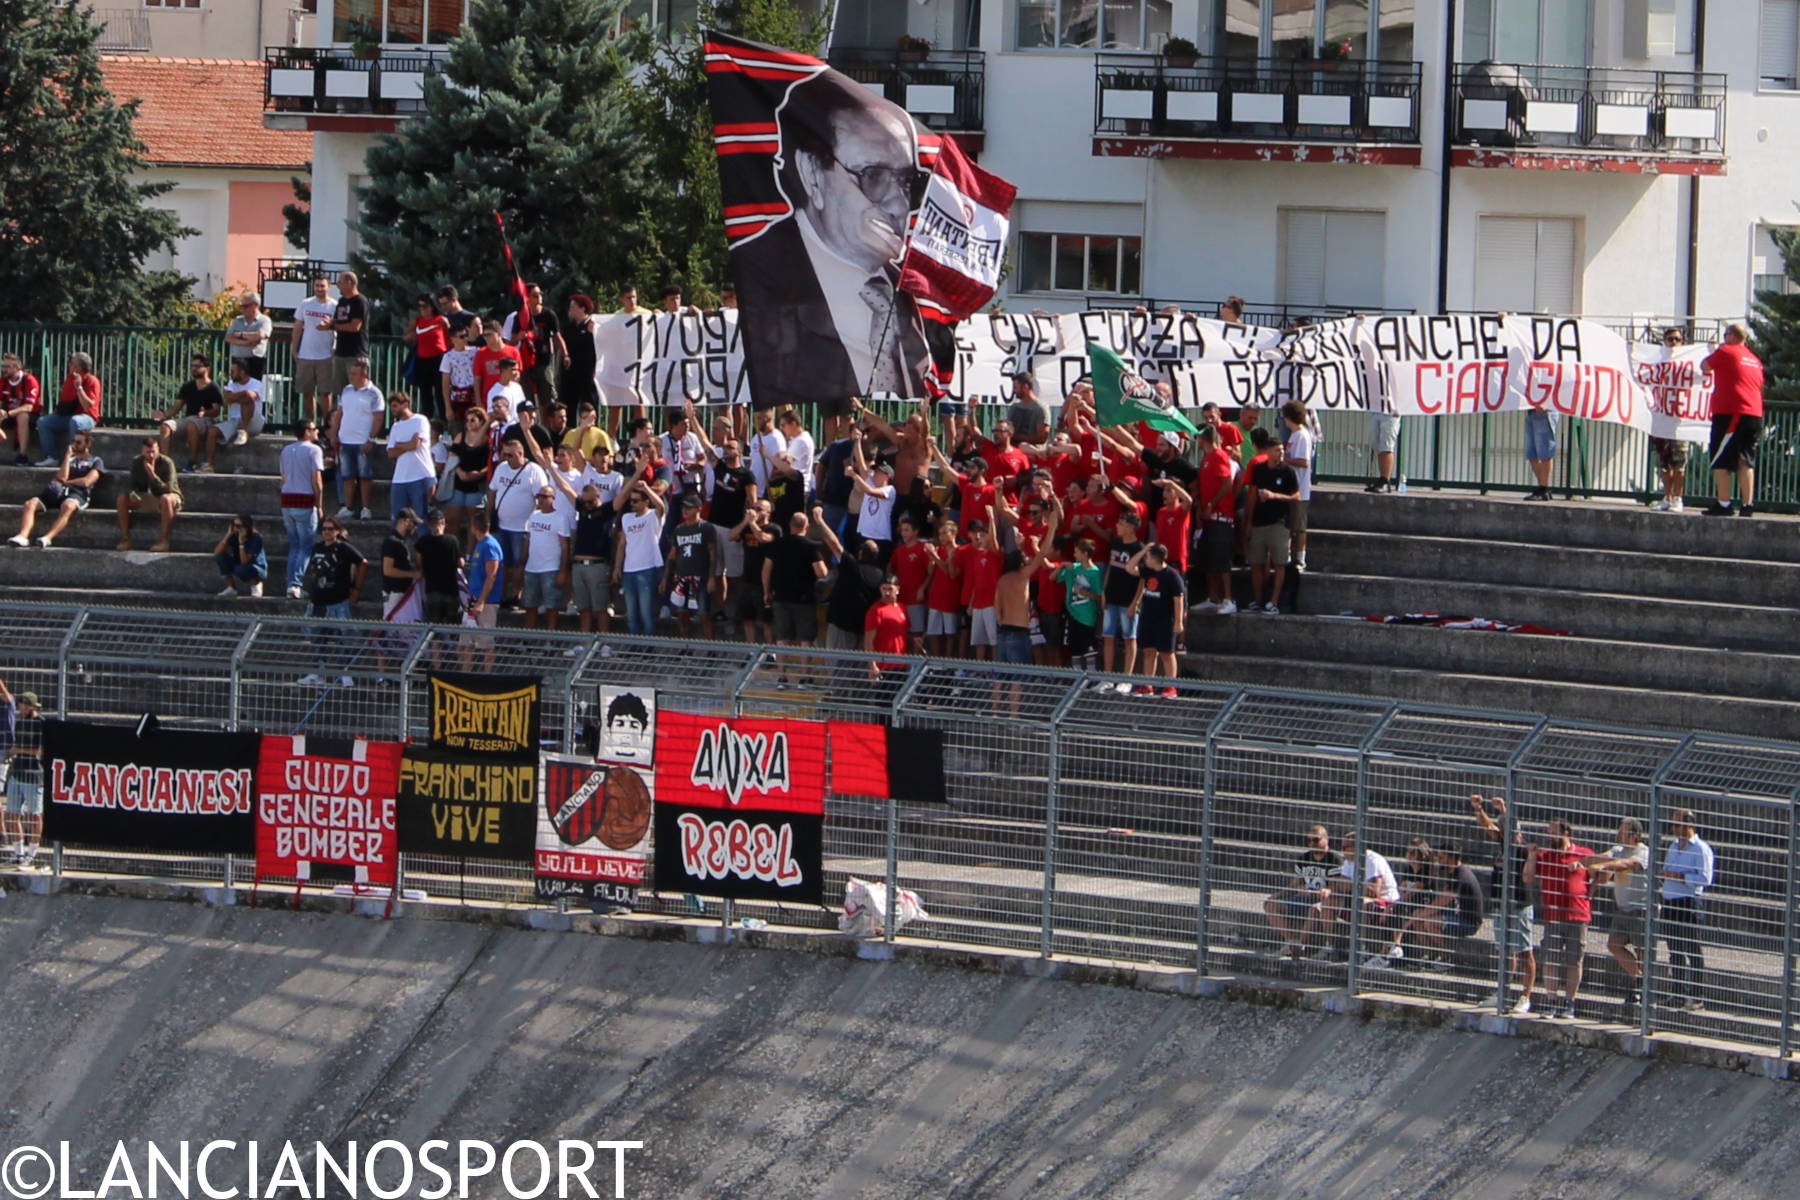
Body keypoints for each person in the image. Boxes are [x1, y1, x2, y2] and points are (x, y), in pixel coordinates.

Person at [732, 71, 931, 416]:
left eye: (908, 182)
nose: (900, 205)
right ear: (812, 174)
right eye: (874, 177)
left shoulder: (915, 289)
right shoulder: (760, 272)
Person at [1469, 792, 1538, 1016]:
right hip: (1501, 904)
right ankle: (1504, 992)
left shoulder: (1522, 849)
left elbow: (1501, 824)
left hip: (1519, 905)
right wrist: (1478, 809)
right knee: (1505, 951)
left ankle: (1525, 996)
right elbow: (1487, 826)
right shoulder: (1501, 842)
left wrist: (1503, 810)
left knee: (1525, 952)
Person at [1523, 816, 1595, 1019]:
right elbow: (1528, 877)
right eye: (1549, 831)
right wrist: (1531, 855)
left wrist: (1592, 890)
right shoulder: (1545, 855)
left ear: (1566, 833)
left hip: (1578, 914)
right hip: (1553, 916)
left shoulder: (1583, 853)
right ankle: (1552, 1001)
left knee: (1575, 960)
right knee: (1551, 959)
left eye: (1554, 831)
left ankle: (1569, 1002)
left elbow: (1601, 872)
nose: (1550, 835)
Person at [1582, 817, 1651, 1021]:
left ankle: (1643, 989)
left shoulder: (1643, 852)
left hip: (1641, 910)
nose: (1618, 835)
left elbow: (1625, 864)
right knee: (1614, 944)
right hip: (1622, 909)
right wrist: (1586, 861)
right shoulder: (1617, 849)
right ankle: (1638, 980)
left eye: (1623, 832)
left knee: (1642, 951)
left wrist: (1603, 866)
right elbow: (1603, 857)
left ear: (1634, 835)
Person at [1701, 323, 1765, 517]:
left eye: (1725, 334)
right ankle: (1747, 505)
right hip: (1754, 412)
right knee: (1745, 460)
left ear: (1731, 336)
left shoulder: (1727, 351)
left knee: (1720, 458)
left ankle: (1724, 503)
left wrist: (1716, 349)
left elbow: (1704, 366)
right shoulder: (1754, 359)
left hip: (1731, 412)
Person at [297, 517, 366, 687]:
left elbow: (362, 562)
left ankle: (344, 673)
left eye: (330, 528)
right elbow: (313, 570)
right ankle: (318, 672)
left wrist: (356, 588)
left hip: (338, 601)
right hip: (319, 600)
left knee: (344, 637)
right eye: (324, 529)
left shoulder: (343, 548)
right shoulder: (317, 548)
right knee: (317, 637)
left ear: (337, 530)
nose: (327, 531)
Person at [1659, 808, 1713, 1013]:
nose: (1674, 828)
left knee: (1692, 950)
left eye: (1678, 824)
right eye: (1673, 824)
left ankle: (1697, 996)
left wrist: (1681, 877)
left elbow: (1705, 878)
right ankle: (1678, 994)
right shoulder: (1673, 846)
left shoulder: (1700, 849)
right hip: (1670, 902)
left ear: (1689, 824)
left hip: (1688, 902)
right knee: (1675, 950)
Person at [1396, 843, 1485, 968]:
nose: (1439, 860)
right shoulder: (1453, 872)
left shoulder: (1461, 875)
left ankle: (1445, 958)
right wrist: (1418, 916)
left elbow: (1440, 904)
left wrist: (1408, 924)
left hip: (1468, 922)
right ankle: (1428, 955)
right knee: (1419, 915)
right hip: (1456, 915)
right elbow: (1440, 899)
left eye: (1442, 857)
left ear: (1451, 858)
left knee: (1429, 922)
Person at [9, 431, 102, 549]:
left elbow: (87, 481)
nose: (75, 445)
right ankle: (23, 536)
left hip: (78, 493)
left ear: (88, 444)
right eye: (74, 441)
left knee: (68, 506)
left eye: (79, 442)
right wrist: (67, 457)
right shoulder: (71, 460)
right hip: (59, 491)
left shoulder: (96, 461)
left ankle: (47, 538)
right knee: (30, 504)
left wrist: (68, 482)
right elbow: (62, 477)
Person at [1263, 824, 1344, 958]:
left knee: (1314, 909)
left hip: (1323, 901)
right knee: (1271, 905)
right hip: (1303, 898)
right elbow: (1295, 884)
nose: (1312, 843)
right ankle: (1291, 942)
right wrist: (1278, 896)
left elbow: (1338, 886)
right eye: (1309, 840)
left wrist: (1326, 890)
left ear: (1326, 839)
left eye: (1316, 840)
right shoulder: (1303, 859)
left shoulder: (1335, 860)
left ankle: (1300, 945)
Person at [488, 437, 550, 609]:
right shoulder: (501, 469)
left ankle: (516, 595)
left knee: (518, 563)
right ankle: (501, 594)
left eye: (510, 455)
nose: (506, 458)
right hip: (501, 525)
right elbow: (492, 492)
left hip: (522, 527)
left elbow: (542, 497)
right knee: (502, 563)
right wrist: (489, 515)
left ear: (521, 454)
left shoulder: (534, 471)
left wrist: (535, 523)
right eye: (504, 454)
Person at [1324, 830, 1399, 965]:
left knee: (1362, 903)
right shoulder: (1349, 861)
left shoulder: (1372, 861)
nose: (1342, 851)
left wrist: (1352, 885)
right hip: (1356, 897)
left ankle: (1364, 950)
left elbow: (1374, 892)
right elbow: (1341, 885)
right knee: (1327, 903)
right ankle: (1332, 947)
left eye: (1345, 847)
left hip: (1385, 901)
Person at [1244, 430, 1298, 614]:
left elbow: (1296, 496)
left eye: (1282, 450)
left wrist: (1274, 495)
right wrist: (1249, 522)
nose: (1280, 453)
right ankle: (1258, 600)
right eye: (1276, 450)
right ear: (1267, 451)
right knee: (1256, 563)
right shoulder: (1258, 470)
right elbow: (1251, 496)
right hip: (1259, 523)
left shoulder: (1288, 471)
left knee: (1280, 563)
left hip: (1279, 524)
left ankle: (1274, 602)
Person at [764, 511, 827, 653]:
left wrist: (766, 591)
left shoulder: (777, 544)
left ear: (790, 525)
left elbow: (766, 569)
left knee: (782, 638)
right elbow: (821, 573)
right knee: (806, 639)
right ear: (807, 526)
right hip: (804, 598)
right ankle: (805, 673)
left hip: (781, 596)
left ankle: (781, 673)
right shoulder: (811, 546)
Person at [612, 475, 667, 637]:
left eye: (636, 501)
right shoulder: (626, 518)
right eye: (631, 501)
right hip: (629, 570)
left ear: (645, 502)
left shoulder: (652, 516)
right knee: (631, 613)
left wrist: (646, 489)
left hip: (648, 569)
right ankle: (634, 645)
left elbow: (661, 506)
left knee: (646, 613)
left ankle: (648, 647)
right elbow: (622, 544)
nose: (632, 504)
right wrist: (617, 566)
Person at [331, 357, 385, 521]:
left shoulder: (374, 393)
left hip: (362, 441)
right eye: (350, 373)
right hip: (345, 440)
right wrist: (334, 434)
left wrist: (371, 439)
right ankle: (348, 507)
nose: (351, 376)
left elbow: (378, 418)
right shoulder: (346, 390)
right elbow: (339, 414)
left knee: (365, 476)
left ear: (364, 375)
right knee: (347, 476)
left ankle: (366, 508)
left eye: (354, 374)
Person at [1128, 543, 1185, 697]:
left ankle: (1171, 686)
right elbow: (1130, 568)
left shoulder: (1172, 575)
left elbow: (1178, 599)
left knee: (1167, 653)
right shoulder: (1147, 571)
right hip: (1148, 618)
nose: (1146, 559)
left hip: (1165, 620)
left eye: (1148, 556)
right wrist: (1143, 551)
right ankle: (1147, 685)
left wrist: (1178, 621)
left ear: (1155, 559)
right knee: (1148, 651)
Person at [277, 420, 326, 598]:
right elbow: (317, 481)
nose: (316, 432)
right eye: (313, 429)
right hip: (305, 500)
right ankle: (295, 584)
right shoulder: (314, 450)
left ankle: (291, 583)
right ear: (306, 432)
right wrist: (319, 505)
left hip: (287, 500)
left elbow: (283, 477)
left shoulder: (286, 450)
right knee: (305, 546)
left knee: (295, 545)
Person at [665, 494, 723, 639]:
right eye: (684, 507)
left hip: (701, 578)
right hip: (682, 577)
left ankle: (711, 649)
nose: (685, 511)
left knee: (704, 614)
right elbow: (672, 556)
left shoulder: (706, 528)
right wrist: (665, 578)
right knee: (682, 614)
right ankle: (686, 646)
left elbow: (713, 554)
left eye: (689, 508)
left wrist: (711, 578)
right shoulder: (679, 529)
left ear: (698, 509)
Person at [1099, 509, 1145, 686]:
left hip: (1129, 599)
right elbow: (1111, 567)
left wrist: (1136, 602)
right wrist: (1104, 590)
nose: (1117, 526)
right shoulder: (1116, 543)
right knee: (1108, 636)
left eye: (1121, 524)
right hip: (1112, 597)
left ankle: (1127, 678)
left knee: (1129, 638)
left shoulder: (1139, 548)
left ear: (1131, 527)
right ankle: (1107, 677)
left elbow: (1142, 578)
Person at [1, 682, 44, 867]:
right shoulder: (20, 723)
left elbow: (41, 751)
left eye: (25, 704)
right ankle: (18, 853)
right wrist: (11, 753)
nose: (21, 708)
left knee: (34, 815)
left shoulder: (41, 724)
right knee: (12, 814)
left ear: (34, 706)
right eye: (20, 704)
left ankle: (32, 853)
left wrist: (20, 750)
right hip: (17, 772)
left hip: (34, 774)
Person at [154, 355, 222, 470]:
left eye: (198, 366)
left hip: (206, 420)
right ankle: (165, 463)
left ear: (207, 369)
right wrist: (164, 415)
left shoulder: (213, 387)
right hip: (189, 418)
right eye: (193, 366)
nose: (194, 369)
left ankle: (192, 462)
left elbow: (216, 411)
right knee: (166, 426)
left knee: (192, 424)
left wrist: (205, 413)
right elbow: (176, 407)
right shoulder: (187, 387)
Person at [115, 438, 181, 552]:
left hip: (167, 497)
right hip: (147, 497)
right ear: (142, 451)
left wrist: (153, 475)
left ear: (158, 450)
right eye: (148, 452)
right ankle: (126, 539)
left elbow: (168, 489)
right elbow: (132, 485)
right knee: (121, 499)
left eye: (153, 451)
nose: (151, 455)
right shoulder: (137, 462)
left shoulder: (167, 463)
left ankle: (164, 540)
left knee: (166, 499)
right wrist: (132, 494)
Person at [521, 484, 572, 631]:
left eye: (544, 497)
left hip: (551, 568)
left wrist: (563, 570)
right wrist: (522, 563)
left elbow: (564, 546)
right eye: (539, 496)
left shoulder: (560, 518)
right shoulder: (534, 515)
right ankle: (527, 638)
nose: (540, 500)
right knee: (530, 605)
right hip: (532, 567)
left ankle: (550, 639)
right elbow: (528, 539)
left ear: (553, 498)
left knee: (552, 606)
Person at [568, 483, 616, 634]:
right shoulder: (582, 508)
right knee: (583, 608)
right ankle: (583, 643)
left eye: (590, 502)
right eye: (585, 501)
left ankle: (605, 643)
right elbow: (565, 488)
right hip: (578, 565)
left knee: (601, 608)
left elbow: (623, 496)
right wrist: (550, 468)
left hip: (598, 565)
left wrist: (637, 473)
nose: (587, 505)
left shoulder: (606, 510)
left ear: (598, 496)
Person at [37, 352, 101, 466]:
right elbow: (64, 401)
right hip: (69, 416)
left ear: (78, 367)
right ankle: (52, 457)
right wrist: (54, 414)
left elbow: (88, 406)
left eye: (71, 363)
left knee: (75, 421)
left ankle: (75, 456)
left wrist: (79, 388)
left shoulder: (92, 381)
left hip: (87, 418)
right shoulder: (70, 379)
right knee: (43, 422)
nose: (69, 365)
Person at [291, 273, 338, 424]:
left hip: (326, 356)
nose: (319, 289)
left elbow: (339, 329)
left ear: (329, 287)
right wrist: (295, 349)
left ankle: (327, 425)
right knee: (307, 393)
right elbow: (298, 327)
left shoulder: (334, 306)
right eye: (317, 285)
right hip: (306, 355)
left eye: (322, 286)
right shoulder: (305, 304)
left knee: (326, 393)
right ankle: (310, 424)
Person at [205, 358, 267, 468]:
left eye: (233, 371)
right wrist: (244, 393)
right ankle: (209, 465)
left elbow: (250, 397)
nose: (230, 374)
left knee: (248, 402)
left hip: (253, 421)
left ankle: (243, 430)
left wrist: (236, 397)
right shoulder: (232, 383)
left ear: (242, 372)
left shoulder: (256, 383)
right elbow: (227, 399)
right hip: (235, 420)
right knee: (212, 431)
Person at [385, 391, 435, 519]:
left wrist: (399, 445)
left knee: (421, 518)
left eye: (395, 405)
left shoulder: (420, 420)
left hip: (420, 476)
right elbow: (391, 453)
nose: (393, 409)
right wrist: (408, 444)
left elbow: (415, 445)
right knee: (398, 519)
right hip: (399, 479)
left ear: (405, 404)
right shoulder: (395, 426)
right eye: (391, 406)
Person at [445, 408, 491, 547]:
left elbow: (490, 462)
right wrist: (460, 472)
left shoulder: (487, 440)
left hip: (477, 485)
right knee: (452, 519)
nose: (469, 423)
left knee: (474, 521)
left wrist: (480, 473)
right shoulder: (461, 436)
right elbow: (452, 456)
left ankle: (470, 555)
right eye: (468, 420)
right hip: (459, 483)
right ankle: (453, 550)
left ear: (481, 421)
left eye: (473, 420)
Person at [1055, 537, 1103, 672]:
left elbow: (1099, 597)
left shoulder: (1095, 572)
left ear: (1085, 554)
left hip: (1087, 617)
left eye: (1076, 552)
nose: (1074, 555)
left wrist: (1084, 592)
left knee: (1088, 648)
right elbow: (1053, 577)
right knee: (1074, 648)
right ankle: (1077, 678)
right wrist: (1062, 566)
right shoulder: (1073, 567)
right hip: (1072, 614)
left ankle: (1091, 677)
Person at [463, 511, 505, 657]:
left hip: (486, 601)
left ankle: (486, 676)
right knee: (466, 643)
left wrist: (481, 602)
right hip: (473, 599)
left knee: (486, 643)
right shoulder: (480, 545)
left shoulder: (490, 546)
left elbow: (491, 576)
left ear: (474, 527)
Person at [415, 508, 465, 626]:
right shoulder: (452, 540)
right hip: (451, 590)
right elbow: (461, 563)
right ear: (443, 522)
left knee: (432, 628)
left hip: (432, 591)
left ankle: (434, 645)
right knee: (454, 627)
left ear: (429, 525)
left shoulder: (422, 542)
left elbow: (418, 563)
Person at [324, 270, 370, 395]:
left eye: (340, 282)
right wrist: (329, 322)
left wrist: (333, 326)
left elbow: (355, 326)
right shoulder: (342, 301)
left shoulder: (360, 301)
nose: (338, 286)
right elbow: (338, 320)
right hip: (340, 353)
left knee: (357, 390)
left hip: (355, 353)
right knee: (340, 392)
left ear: (349, 283)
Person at [404, 295, 450, 417]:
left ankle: (443, 422)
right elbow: (406, 336)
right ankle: (427, 420)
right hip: (423, 359)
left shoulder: (441, 320)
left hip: (438, 359)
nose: (422, 309)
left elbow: (448, 339)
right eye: (420, 306)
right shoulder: (417, 321)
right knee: (425, 393)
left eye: (425, 306)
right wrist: (411, 336)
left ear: (432, 306)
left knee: (440, 392)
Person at [1280, 400, 1313, 570]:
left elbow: (1304, 462)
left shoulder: (1302, 435)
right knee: (1290, 525)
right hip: (1291, 488)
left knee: (1299, 526)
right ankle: (1288, 556)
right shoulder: (1294, 435)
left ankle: (1300, 558)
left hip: (1300, 489)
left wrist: (1286, 460)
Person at [379, 508, 423, 622]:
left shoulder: (401, 542)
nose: (415, 527)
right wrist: (412, 574)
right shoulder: (392, 542)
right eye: (414, 523)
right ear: (406, 521)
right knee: (391, 629)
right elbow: (387, 570)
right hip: (394, 594)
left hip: (401, 593)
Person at [0, 352, 43, 466]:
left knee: (22, 415)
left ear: (17, 368)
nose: (4, 369)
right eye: (3, 366)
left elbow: (29, 407)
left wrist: (9, 413)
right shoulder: (3, 381)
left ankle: (22, 455)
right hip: (10, 414)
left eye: (7, 367)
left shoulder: (29, 381)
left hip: (31, 416)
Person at [212, 513, 268, 598]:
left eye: (238, 526)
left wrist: (241, 543)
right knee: (220, 558)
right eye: (234, 525)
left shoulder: (256, 538)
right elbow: (217, 552)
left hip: (257, 568)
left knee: (240, 569)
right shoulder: (234, 535)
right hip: (240, 564)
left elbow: (245, 561)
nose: (235, 528)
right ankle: (232, 588)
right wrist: (227, 535)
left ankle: (256, 584)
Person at [562, 294, 601, 414]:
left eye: (573, 307)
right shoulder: (568, 328)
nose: (570, 310)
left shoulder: (594, 326)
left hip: (588, 374)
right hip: (570, 374)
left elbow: (601, 348)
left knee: (589, 406)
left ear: (583, 308)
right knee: (569, 407)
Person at [439, 322, 481, 424]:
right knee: (458, 427)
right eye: (461, 336)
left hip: (474, 396)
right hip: (458, 398)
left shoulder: (476, 352)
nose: (465, 339)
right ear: (453, 339)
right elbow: (445, 383)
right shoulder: (448, 357)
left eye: (466, 335)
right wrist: (448, 407)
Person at [225, 293, 273, 380]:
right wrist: (245, 342)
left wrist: (240, 335)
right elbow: (229, 337)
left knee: (253, 389)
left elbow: (260, 335)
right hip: (238, 359)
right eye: (242, 306)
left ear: (256, 305)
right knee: (236, 386)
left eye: (246, 306)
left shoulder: (264, 320)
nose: (243, 309)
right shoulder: (238, 320)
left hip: (255, 360)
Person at [1522, 406, 1557, 502]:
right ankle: (1543, 486)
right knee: (1531, 453)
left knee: (1545, 451)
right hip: (1532, 411)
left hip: (1545, 411)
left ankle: (1544, 487)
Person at [1007, 373, 1051, 446]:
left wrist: (1017, 437)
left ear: (1025, 387)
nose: (1014, 391)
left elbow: (1042, 438)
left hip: (1033, 453)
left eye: (1015, 387)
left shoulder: (1040, 408)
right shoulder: (1014, 407)